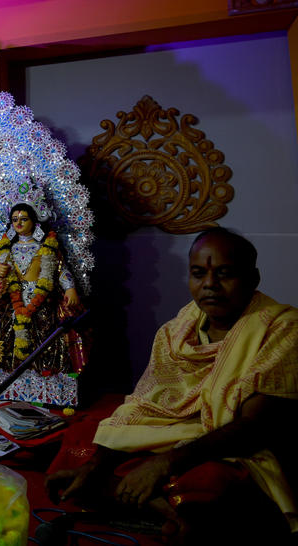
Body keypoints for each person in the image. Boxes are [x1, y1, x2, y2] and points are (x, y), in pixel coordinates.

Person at [46, 228, 298, 543]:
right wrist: (97, 464)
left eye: (225, 274)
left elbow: (252, 429)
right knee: (84, 432)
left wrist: (164, 464)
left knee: (214, 482)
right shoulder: (176, 331)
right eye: (198, 273)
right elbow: (146, 405)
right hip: (169, 438)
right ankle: (134, 494)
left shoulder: (282, 328)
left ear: (253, 278)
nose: (209, 285)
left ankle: (132, 496)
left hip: (229, 448)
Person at [0, 202, 81, 372]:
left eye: (24, 219)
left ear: (35, 222)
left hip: (40, 300)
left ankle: (44, 372)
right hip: (13, 300)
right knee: (9, 333)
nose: (18, 223)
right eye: (15, 219)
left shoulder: (45, 247)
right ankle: (13, 374)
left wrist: (70, 288)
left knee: (44, 334)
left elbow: (60, 269)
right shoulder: (7, 249)